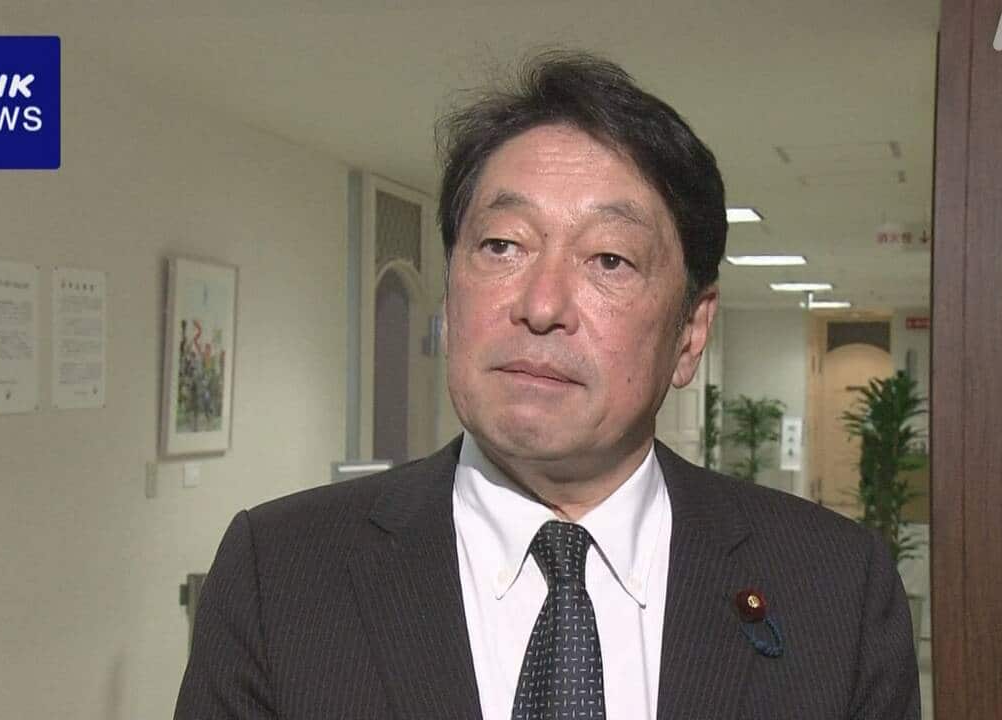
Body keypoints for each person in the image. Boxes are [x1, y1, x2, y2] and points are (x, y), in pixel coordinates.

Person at [175, 50, 920, 719]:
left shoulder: (835, 587)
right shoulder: (282, 571)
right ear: (450, 292)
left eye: (609, 260)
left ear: (690, 332)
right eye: (502, 245)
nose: (541, 305)